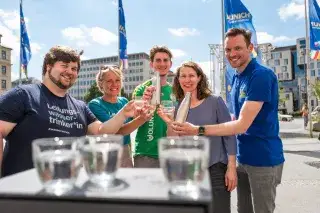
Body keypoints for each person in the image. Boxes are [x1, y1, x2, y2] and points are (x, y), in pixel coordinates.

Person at [171, 28, 285, 213]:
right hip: (243, 158)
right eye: (228, 50)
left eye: (238, 48)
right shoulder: (237, 78)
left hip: (264, 159)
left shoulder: (260, 76)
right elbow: (232, 119)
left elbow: (241, 125)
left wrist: (198, 130)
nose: (232, 54)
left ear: (250, 47)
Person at [0, 46, 140, 177]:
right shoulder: (23, 95)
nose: (70, 71)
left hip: (69, 190)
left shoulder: (80, 107)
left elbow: (102, 131)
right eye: (64, 66)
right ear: (48, 67)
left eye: (74, 68)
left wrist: (124, 113)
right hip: (22, 192)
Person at [157, 61, 237, 213]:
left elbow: (229, 134)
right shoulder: (180, 104)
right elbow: (175, 138)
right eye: (183, 76)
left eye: (192, 76)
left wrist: (231, 167)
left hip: (216, 168)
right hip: (190, 170)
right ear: (178, 80)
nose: (187, 80)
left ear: (199, 78)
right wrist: (168, 121)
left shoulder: (215, 101)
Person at [88, 65, 152, 167]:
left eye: (117, 80)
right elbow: (117, 132)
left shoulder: (124, 101)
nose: (114, 84)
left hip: (125, 151)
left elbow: (133, 122)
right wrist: (141, 119)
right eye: (109, 81)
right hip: (105, 152)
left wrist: (145, 111)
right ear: (101, 83)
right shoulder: (95, 104)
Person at [131, 45, 173, 168]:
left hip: (169, 152)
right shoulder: (141, 89)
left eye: (165, 60)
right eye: (158, 60)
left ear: (170, 64)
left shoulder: (176, 91)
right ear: (151, 64)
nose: (162, 64)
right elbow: (134, 118)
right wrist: (144, 103)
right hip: (145, 153)